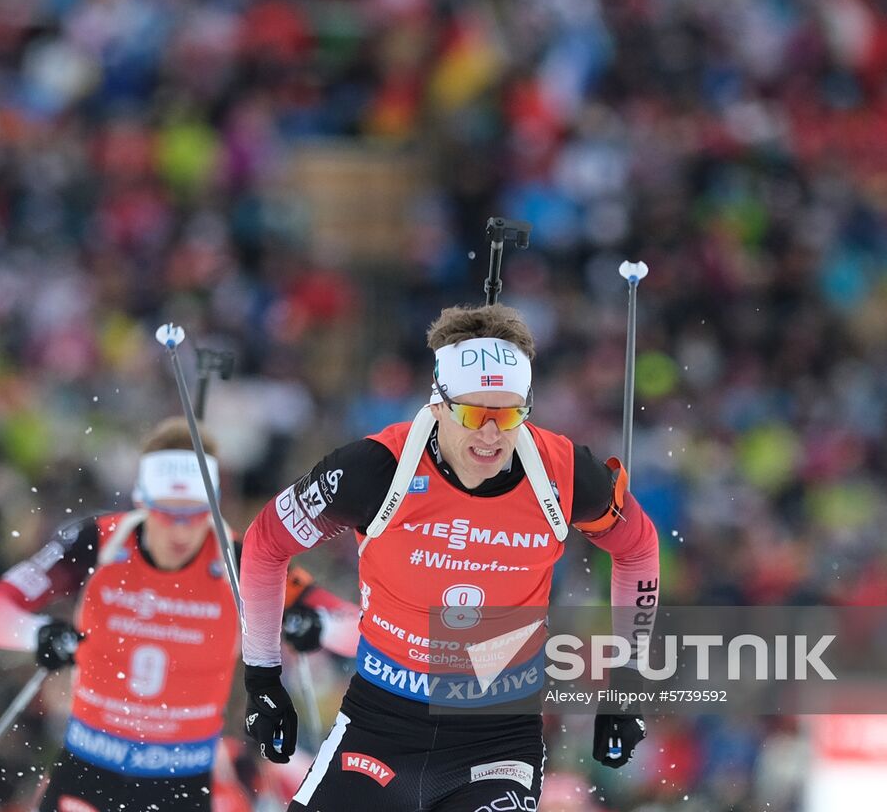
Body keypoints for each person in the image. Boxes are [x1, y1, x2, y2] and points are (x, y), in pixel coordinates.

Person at [237, 304, 661, 811]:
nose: (491, 434)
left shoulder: (564, 473)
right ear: (438, 404)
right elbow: (266, 545)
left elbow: (637, 549)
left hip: (496, 738)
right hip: (379, 726)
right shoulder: (376, 470)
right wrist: (262, 678)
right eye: (473, 414)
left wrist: (626, 686)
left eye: (507, 415)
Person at [0, 417, 359, 812]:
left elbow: (363, 628)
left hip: (181, 781)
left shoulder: (243, 561)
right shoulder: (96, 541)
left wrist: (317, 625)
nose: (182, 532)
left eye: (196, 514)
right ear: (141, 500)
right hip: (91, 767)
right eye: (168, 513)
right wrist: (36, 633)